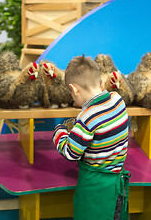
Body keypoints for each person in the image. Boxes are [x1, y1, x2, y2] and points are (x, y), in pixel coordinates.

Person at [52, 55, 131, 220]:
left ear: (74, 89)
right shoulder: (118, 100)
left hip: (96, 191)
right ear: (102, 82)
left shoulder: (87, 117)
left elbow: (71, 153)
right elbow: (103, 129)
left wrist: (60, 131)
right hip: (117, 186)